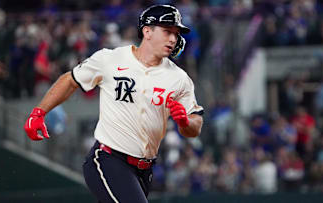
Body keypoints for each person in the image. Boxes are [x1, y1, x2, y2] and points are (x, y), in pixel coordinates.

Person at [23, 4, 204, 203]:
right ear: (147, 31)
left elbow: (195, 125)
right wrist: (39, 112)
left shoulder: (179, 78)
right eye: (167, 31)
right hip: (108, 159)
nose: (173, 38)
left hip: (144, 170)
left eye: (176, 33)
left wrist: (186, 122)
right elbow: (70, 80)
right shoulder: (111, 59)